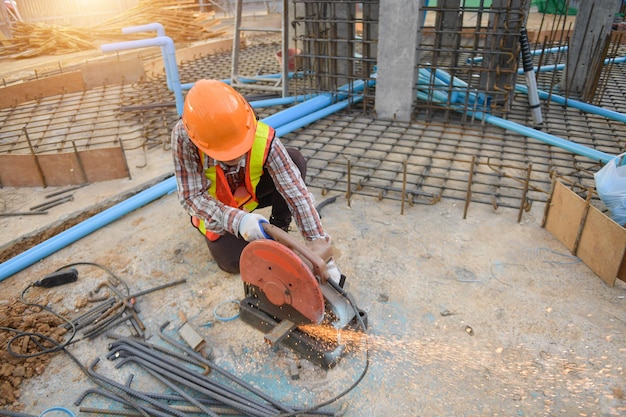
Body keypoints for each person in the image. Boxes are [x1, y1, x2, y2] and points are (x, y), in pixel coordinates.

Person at [171, 79, 337, 278]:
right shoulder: (185, 136)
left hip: (251, 194)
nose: (234, 156)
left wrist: (318, 245)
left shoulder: (254, 128)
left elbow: (296, 192)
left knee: (295, 160)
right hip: (217, 210)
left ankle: (279, 227)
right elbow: (191, 196)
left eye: (238, 147)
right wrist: (237, 221)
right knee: (236, 262)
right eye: (224, 152)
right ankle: (248, 232)